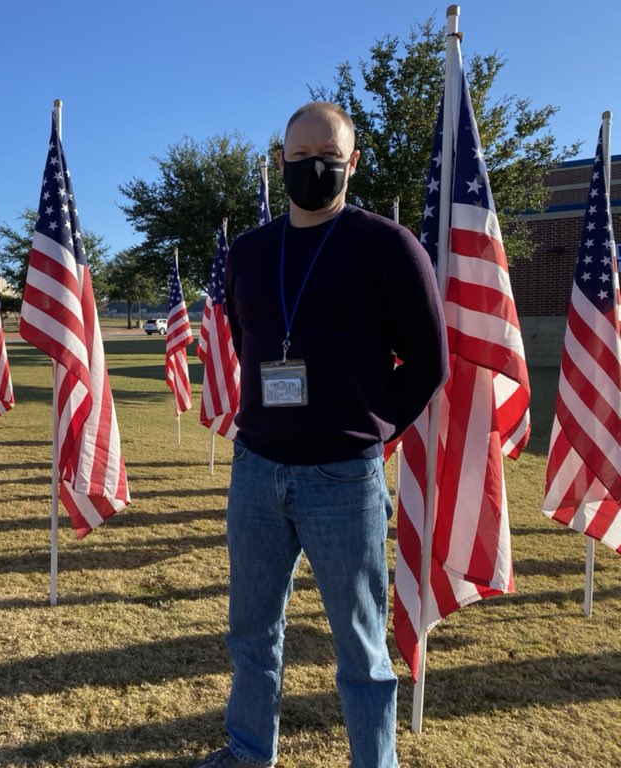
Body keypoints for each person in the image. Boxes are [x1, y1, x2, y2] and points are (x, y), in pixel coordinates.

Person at [194, 102, 449, 767]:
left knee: (361, 645)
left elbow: (429, 361)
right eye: (299, 156)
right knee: (252, 631)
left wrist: (373, 427)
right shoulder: (248, 253)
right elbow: (245, 340)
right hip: (256, 470)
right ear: (280, 162)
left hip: (344, 477)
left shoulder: (389, 247)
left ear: (352, 161)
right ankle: (250, 753)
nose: (313, 168)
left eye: (328, 157)